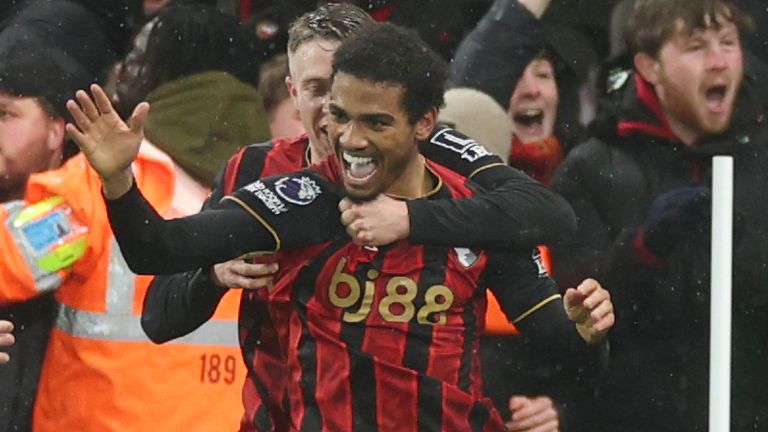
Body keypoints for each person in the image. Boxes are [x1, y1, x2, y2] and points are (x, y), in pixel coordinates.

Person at [67, 21, 614, 431]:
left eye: (366, 111)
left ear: (420, 120)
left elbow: (555, 282)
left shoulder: (471, 190)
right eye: (323, 97)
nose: (341, 127)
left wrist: (587, 338)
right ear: (291, 90)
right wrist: (125, 189)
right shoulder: (288, 189)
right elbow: (158, 265)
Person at [0, 4, 271, 431]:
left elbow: (7, 263)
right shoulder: (284, 186)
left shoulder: (102, 182)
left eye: (134, 60)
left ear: (155, 76)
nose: (120, 73)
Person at [548, 0, 767, 430]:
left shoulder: (760, 159)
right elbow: (569, 317)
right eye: (696, 47)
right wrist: (644, 250)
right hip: (632, 418)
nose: (720, 61)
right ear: (649, 67)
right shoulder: (592, 166)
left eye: (728, 43)